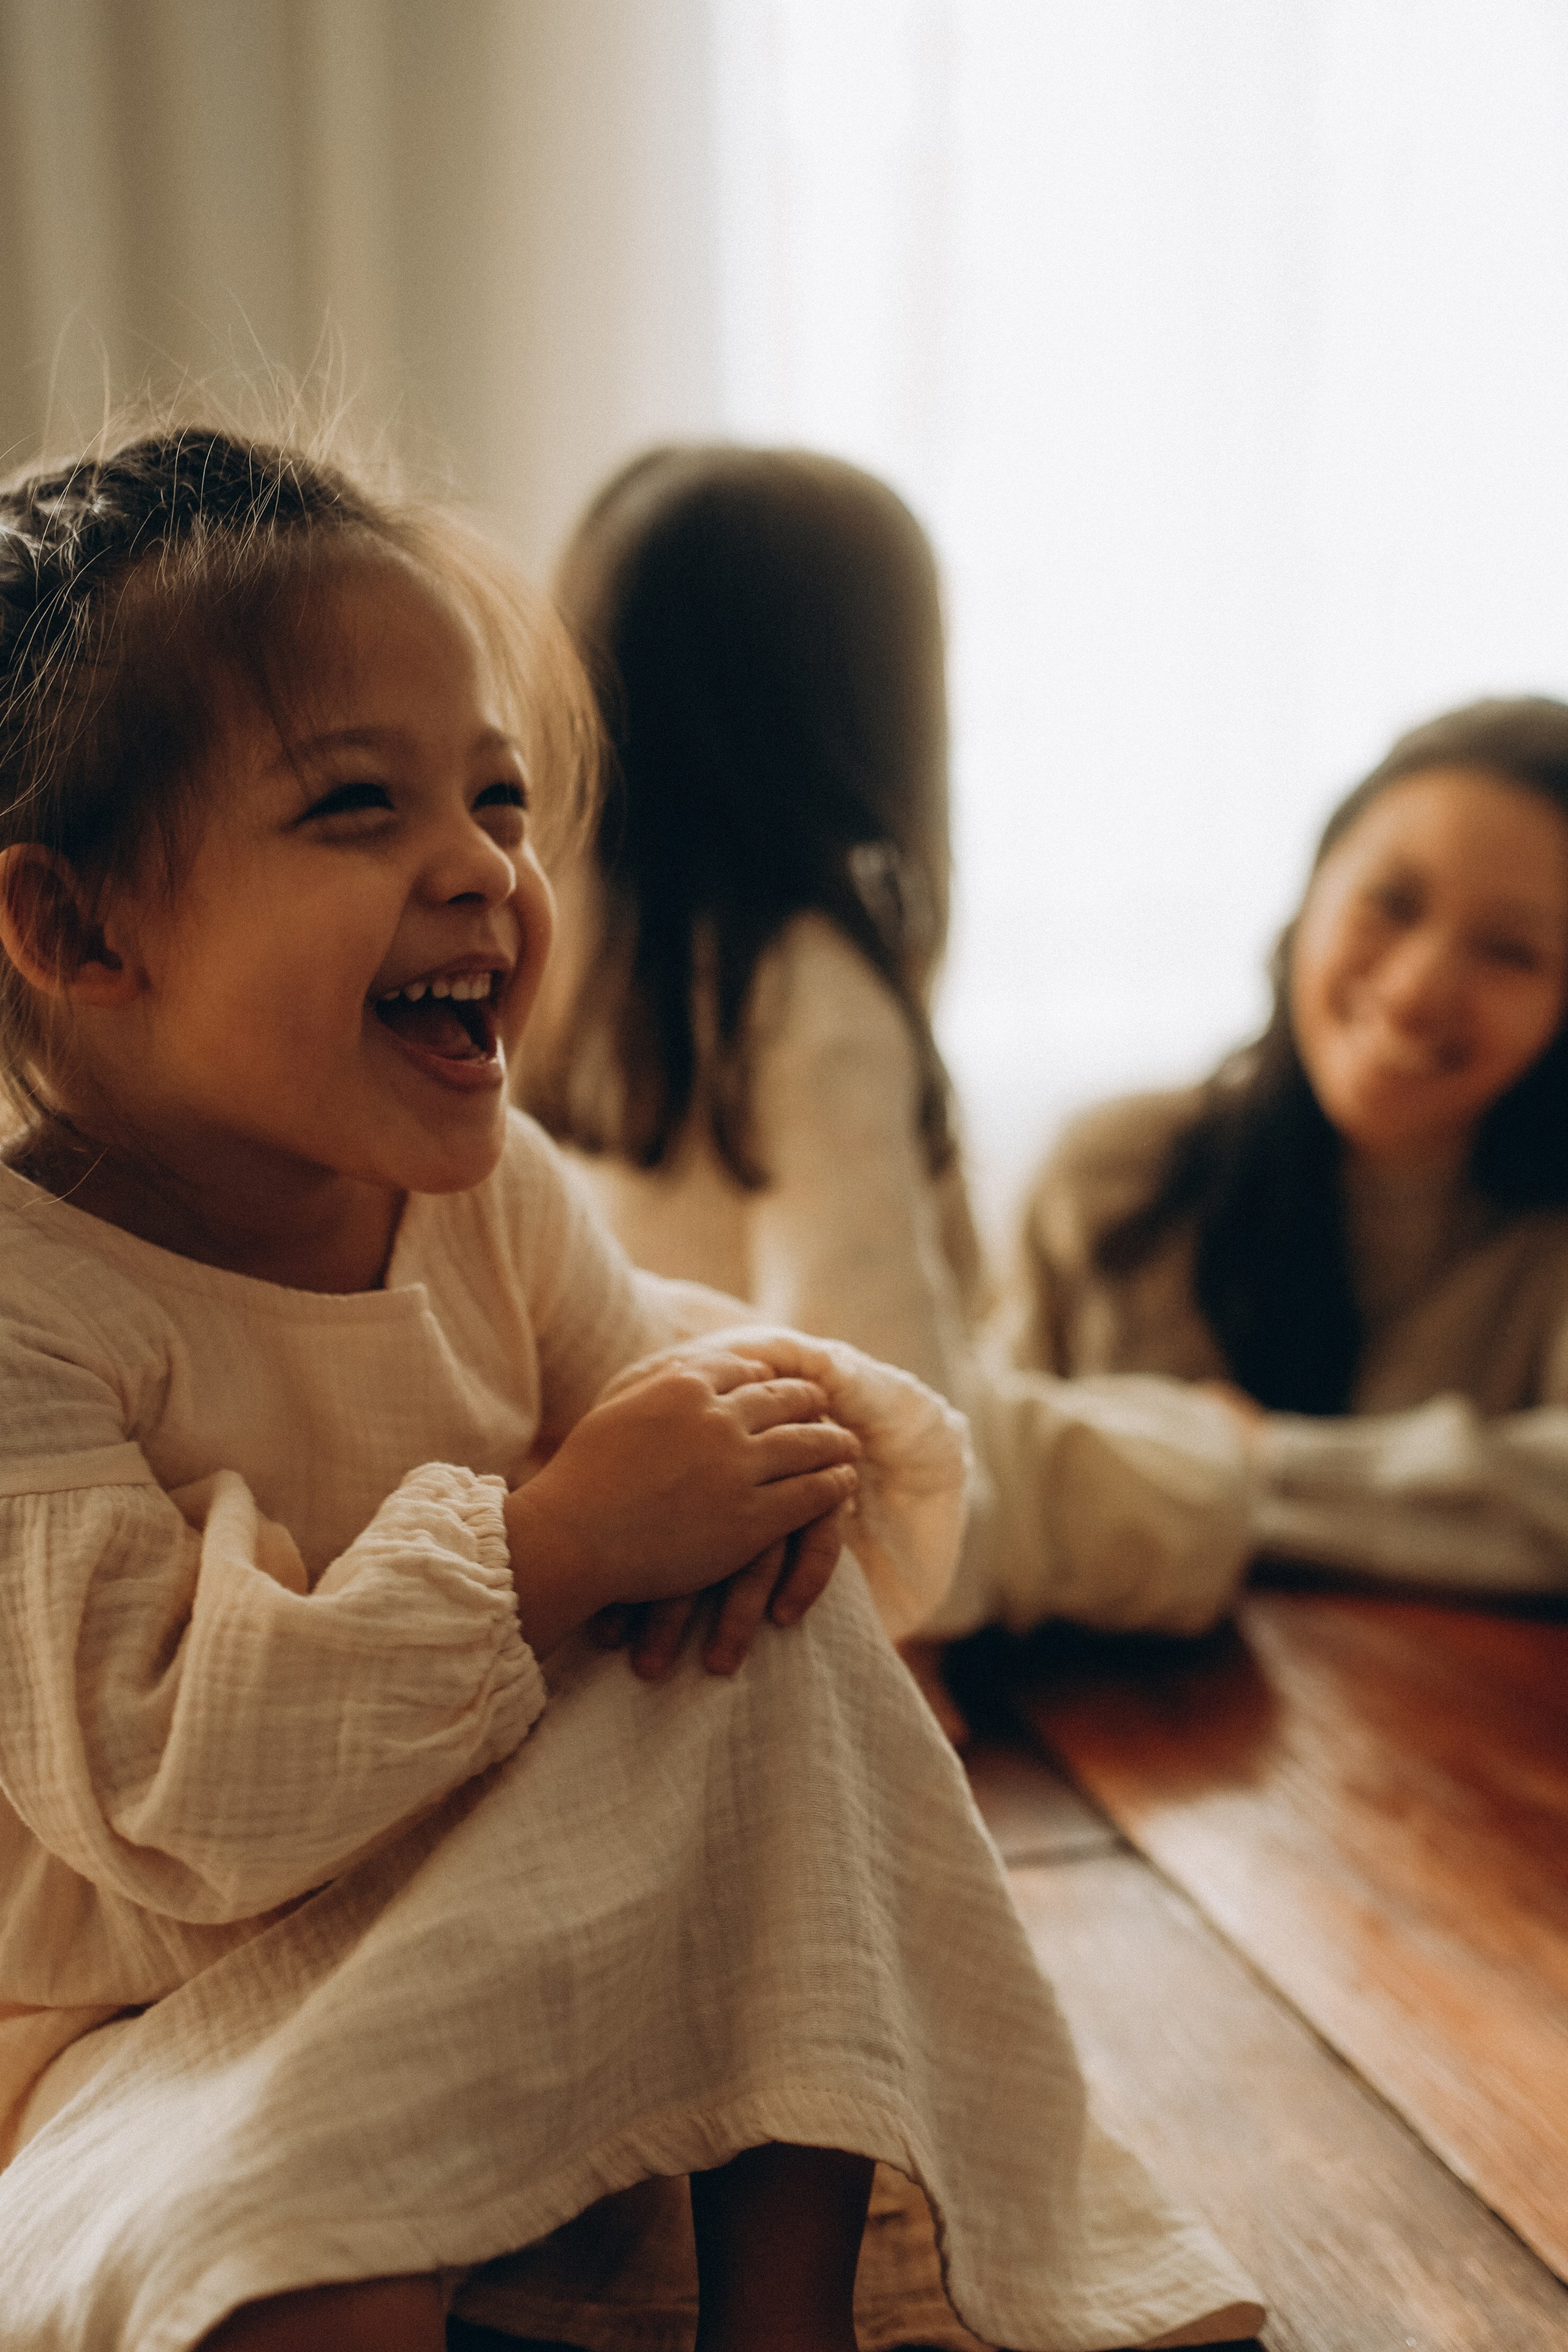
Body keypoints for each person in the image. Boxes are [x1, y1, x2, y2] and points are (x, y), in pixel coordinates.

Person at [0, 424, 1262, 2352]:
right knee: (304, 2277)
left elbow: (653, 1401)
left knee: (770, 1616)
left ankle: (783, 2321)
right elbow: (172, 1789)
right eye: (358, 806)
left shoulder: (495, 1194)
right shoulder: (36, 1310)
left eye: (498, 799)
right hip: (148, 2026)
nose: (480, 868)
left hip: (465, 1941)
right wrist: (550, 1549)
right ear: (78, 929)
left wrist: (756, 1474)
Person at [532, 445, 1258, 1697]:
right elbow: (863, 1342)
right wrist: (909, 1638)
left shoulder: (557, 934)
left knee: (1129, 1432)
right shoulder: (811, 979)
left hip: (640, 1424)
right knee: (1201, 1492)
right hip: (801, 1465)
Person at [1015, 697, 1568, 1593]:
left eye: (1511, 952)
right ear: (1310, 895)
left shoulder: (1548, 1240)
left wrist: (1251, 1463)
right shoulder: (1116, 1173)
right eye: (1392, 902)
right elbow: (982, 1474)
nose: (1417, 990)